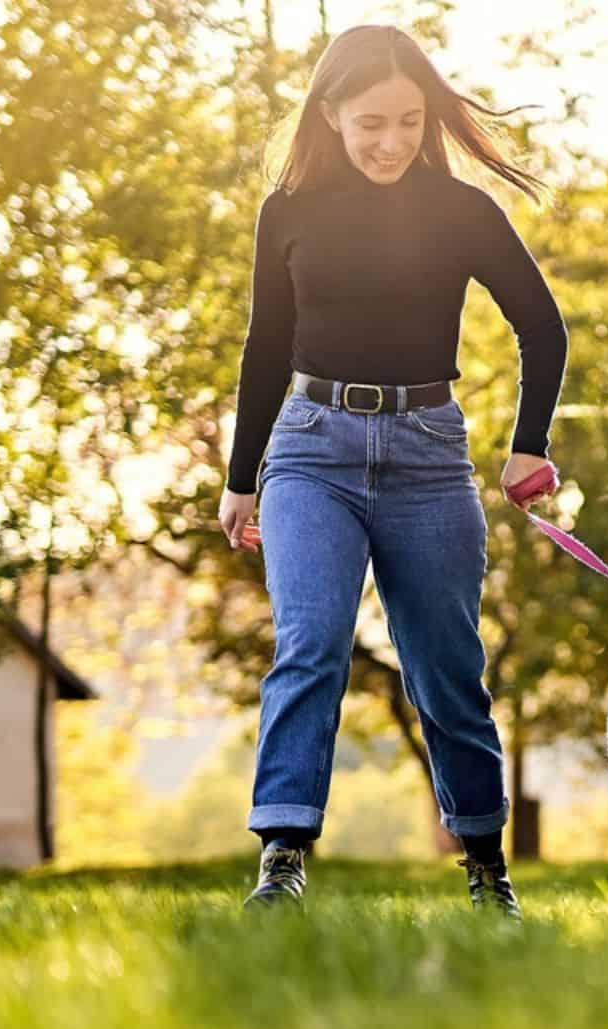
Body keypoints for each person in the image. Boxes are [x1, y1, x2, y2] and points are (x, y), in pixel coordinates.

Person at [215, 24, 567, 917]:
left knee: (446, 664)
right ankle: (282, 860)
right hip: (308, 449)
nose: (392, 141)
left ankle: (487, 866)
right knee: (312, 643)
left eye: (410, 122)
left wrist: (530, 443)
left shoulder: (461, 211)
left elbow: (542, 324)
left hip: (427, 456)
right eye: (371, 122)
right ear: (330, 113)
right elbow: (265, 347)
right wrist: (240, 474)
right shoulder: (287, 211)